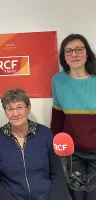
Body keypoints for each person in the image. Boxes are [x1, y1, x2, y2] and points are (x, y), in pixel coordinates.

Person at [0, 88, 68, 200]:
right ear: (5, 111)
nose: (15, 113)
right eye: (10, 109)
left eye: (20, 107)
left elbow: (58, 175)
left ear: (28, 108)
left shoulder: (45, 134)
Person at [51, 33, 96, 200]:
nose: (74, 54)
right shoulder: (58, 80)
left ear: (87, 52)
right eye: (68, 51)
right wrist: (53, 148)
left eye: (78, 49)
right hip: (72, 155)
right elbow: (57, 118)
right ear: (63, 56)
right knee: (75, 197)